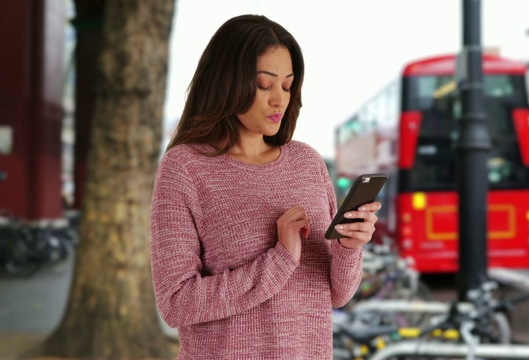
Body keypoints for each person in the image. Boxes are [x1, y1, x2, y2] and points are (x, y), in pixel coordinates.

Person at [150, 14, 381, 359]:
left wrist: (349, 247)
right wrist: (280, 259)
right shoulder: (186, 168)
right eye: (264, 84)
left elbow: (336, 295)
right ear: (228, 81)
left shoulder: (307, 162)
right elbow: (176, 304)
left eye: (287, 86)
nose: (279, 100)